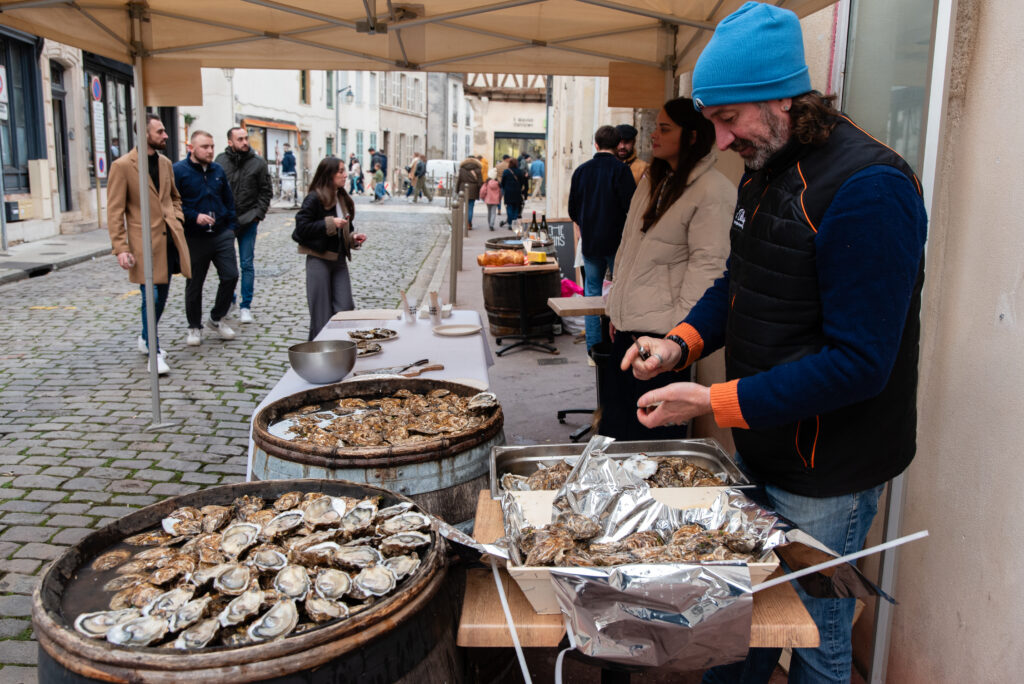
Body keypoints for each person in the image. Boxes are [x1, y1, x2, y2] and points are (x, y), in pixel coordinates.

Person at [619, 4, 928, 682]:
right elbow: (742, 281)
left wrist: (713, 399)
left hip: (827, 470)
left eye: (730, 120)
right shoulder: (768, 164)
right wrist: (679, 343)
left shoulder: (869, 187)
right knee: (741, 616)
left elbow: (860, 364)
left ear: (784, 98)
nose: (722, 140)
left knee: (818, 638)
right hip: (761, 440)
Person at [602, 98, 733, 440]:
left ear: (691, 136)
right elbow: (628, 249)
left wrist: (678, 338)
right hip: (627, 335)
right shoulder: (652, 180)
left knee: (650, 446)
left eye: (665, 128)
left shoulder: (713, 190)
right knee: (616, 432)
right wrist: (617, 309)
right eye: (655, 126)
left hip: (663, 345)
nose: (653, 136)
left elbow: (709, 270)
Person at [107, 113, 191, 375]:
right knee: (151, 297)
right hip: (142, 244)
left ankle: (145, 336)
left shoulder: (166, 163)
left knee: (161, 298)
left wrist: (176, 216)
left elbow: (175, 197)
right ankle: (154, 353)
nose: (165, 135)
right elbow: (114, 211)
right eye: (160, 132)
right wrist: (121, 248)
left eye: (165, 131)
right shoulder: (122, 166)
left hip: (168, 242)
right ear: (144, 134)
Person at [568, 125, 636, 350]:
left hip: (590, 241)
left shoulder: (581, 171)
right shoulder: (621, 170)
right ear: (618, 145)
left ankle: (593, 347)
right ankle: (621, 343)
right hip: (617, 241)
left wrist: (586, 224)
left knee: (592, 292)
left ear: (595, 144)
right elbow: (632, 207)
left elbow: (572, 210)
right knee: (621, 291)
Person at [173, 130, 240, 347]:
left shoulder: (217, 170)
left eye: (212, 146)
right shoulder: (179, 171)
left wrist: (230, 228)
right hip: (194, 236)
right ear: (191, 148)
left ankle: (216, 318)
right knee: (194, 284)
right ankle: (194, 327)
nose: (210, 150)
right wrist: (193, 217)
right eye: (205, 147)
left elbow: (228, 201)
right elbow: (174, 203)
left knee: (230, 275)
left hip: (221, 234)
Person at [291, 157, 368, 340]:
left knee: (345, 307)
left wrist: (352, 238)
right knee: (321, 314)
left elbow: (342, 230)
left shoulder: (342, 197)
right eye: (340, 171)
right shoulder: (315, 197)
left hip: (339, 260)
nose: (344, 174)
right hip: (319, 259)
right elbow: (301, 227)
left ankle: (340, 349)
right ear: (329, 174)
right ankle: (319, 355)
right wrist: (330, 223)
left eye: (344, 170)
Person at [215, 126, 271, 325]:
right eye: (240, 139)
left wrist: (258, 214)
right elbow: (214, 189)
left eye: (246, 138)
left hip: (248, 220)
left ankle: (245, 306)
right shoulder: (220, 161)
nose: (245, 142)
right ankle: (229, 300)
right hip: (226, 223)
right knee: (227, 267)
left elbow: (266, 191)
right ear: (230, 142)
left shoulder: (258, 163)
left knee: (247, 264)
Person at [455, 155, 483, 229]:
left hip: (463, 188)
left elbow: (459, 180)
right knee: (471, 206)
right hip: (473, 189)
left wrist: (457, 190)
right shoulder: (478, 169)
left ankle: (467, 222)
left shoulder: (462, 169)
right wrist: (480, 190)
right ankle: (469, 223)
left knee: (465, 206)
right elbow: (480, 182)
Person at [500, 158, 526, 225]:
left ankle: (510, 223)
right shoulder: (520, 171)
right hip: (517, 192)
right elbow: (522, 182)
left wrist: (505, 188)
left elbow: (502, 182)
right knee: (516, 207)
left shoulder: (506, 171)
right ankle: (514, 222)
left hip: (508, 192)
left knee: (509, 207)